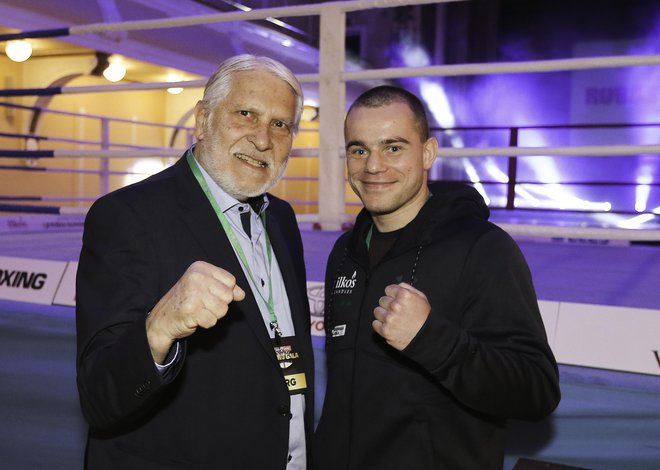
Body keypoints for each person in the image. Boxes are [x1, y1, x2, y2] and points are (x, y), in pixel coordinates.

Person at [76, 54, 314, 470]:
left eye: (281, 124)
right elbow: (100, 396)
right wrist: (160, 327)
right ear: (203, 120)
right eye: (246, 114)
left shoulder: (282, 219)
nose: (263, 139)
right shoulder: (127, 216)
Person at [314, 85, 560, 469]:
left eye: (393, 147)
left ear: (427, 153)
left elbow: (537, 391)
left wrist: (433, 339)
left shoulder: (482, 249)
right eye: (359, 150)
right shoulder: (344, 253)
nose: (373, 166)